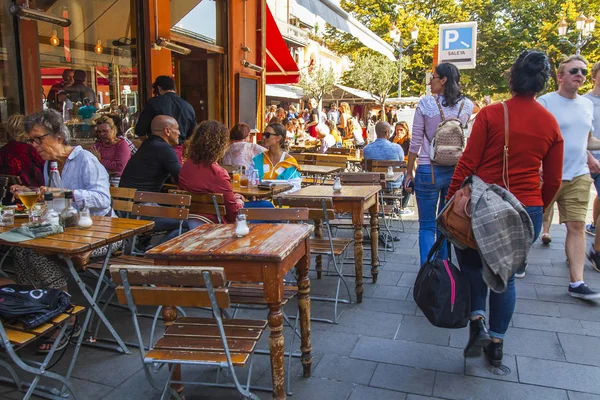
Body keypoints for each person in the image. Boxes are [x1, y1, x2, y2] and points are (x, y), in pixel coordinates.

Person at [446, 50, 564, 366]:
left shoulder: (491, 114)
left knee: (472, 266)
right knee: (506, 277)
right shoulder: (550, 123)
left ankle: (476, 322)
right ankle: (496, 343)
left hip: (482, 206)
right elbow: (553, 180)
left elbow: (468, 162)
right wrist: (538, 205)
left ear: (512, 79)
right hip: (526, 210)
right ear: (541, 83)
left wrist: (452, 195)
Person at [10, 109, 113, 351]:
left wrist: (63, 194)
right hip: (71, 232)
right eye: (31, 141)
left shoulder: (86, 160)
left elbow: (103, 201)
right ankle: (42, 311)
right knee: (22, 251)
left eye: (38, 138)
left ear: (58, 135)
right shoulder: (52, 165)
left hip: (104, 234)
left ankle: (65, 316)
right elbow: (58, 203)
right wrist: (35, 194)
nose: (35, 145)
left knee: (39, 254)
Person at [537, 54, 600, 300]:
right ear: (560, 76)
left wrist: (591, 155)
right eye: (574, 70)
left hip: (578, 175)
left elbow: (586, 140)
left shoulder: (586, 105)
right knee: (533, 224)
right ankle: (518, 262)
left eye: (583, 72)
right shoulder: (545, 102)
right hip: (548, 175)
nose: (580, 75)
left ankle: (577, 282)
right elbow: (536, 139)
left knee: (576, 226)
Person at [405, 62, 474, 266]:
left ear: (443, 80)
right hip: (455, 170)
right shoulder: (467, 106)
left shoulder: (426, 104)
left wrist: (409, 172)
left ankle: (428, 273)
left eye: (433, 77)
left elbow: (416, 141)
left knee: (426, 226)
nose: (430, 81)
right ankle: (443, 269)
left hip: (428, 169)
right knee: (445, 223)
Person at [179, 121, 245, 224]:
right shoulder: (217, 173)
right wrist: (239, 202)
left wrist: (231, 197)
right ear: (220, 145)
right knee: (265, 206)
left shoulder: (187, 165)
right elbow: (234, 215)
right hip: (215, 225)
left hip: (190, 220)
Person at [134, 76, 197, 164]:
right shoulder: (188, 106)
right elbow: (193, 135)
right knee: (174, 176)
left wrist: (148, 142)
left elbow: (140, 130)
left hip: (155, 150)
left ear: (159, 88)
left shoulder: (153, 103)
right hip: (177, 151)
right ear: (174, 88)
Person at [120, 115, 181, 193]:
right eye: (177, 129)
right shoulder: (164, 148)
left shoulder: (148, 144)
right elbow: (182, 179)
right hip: (142, 201)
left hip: (127, 198)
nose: (179, 133)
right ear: (167, 131)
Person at [252, 123, 302, 192]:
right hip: (259, 199)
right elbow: (250, 182)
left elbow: (295, 187)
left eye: (267, 135)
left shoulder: (290, 163)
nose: (263, 137)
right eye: (264, 134)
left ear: (278, 138)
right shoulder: (257, 160)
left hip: (281, 201)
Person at [0, 114, 45, 189]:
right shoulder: (30, 149)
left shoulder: (3, 151)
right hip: (33, 193)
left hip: (9, 194)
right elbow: (46, 169)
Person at [585, 61, 600, 273]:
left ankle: (596, 251)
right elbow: (582, 136)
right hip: (584, 159)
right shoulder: (585, 102)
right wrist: (588, 156)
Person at [89, 115, 132, 182]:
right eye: (99, 132)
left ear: (113, 130)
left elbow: (119, 167)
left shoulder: (121, 144)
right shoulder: (97, 146)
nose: (102, 134)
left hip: (119, 180)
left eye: (105, 131)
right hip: (100, 179)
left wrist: (100, 160)